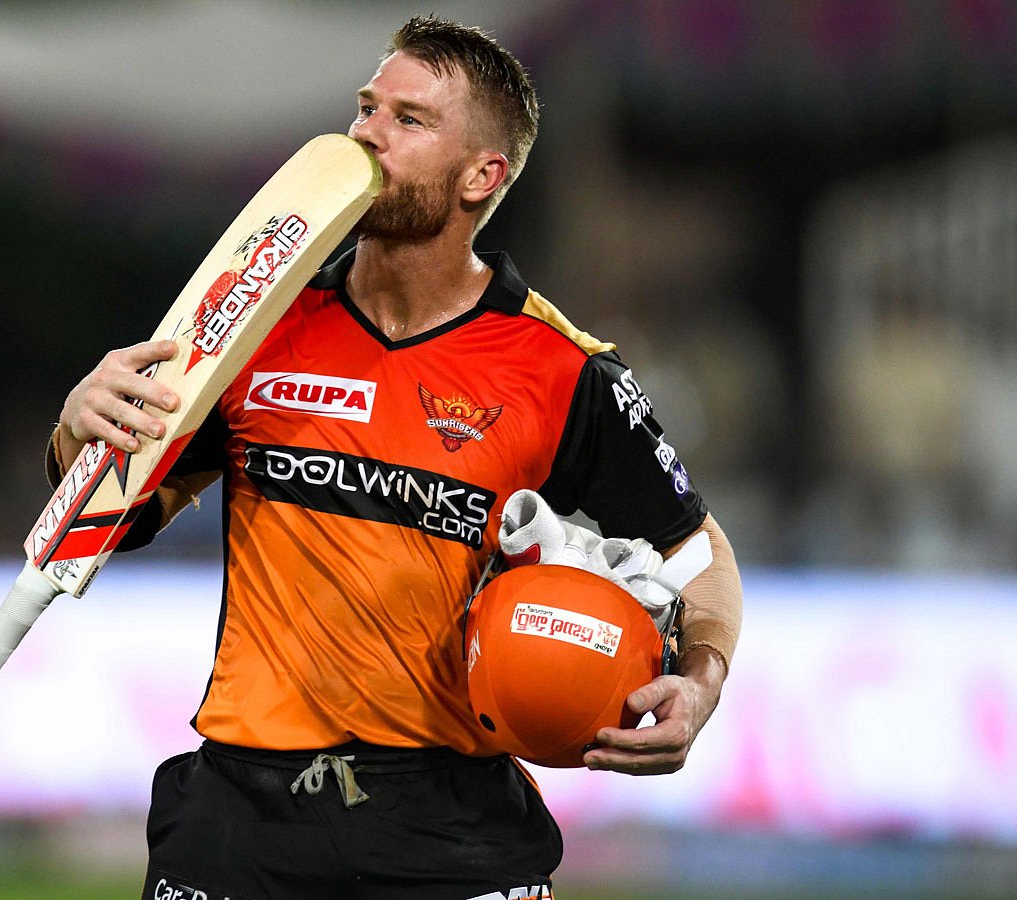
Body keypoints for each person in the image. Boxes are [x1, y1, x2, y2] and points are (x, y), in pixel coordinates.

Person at [51, 15, 742, 900]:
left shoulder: (561, 369)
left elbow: (698, 551)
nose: (367, 133)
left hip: (448, 829)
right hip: (240, 819)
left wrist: (701, 683)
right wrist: (80, 428)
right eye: (367, 107)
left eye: (409, 119)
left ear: (482, 176)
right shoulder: (254, 325)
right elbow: (109, 521)